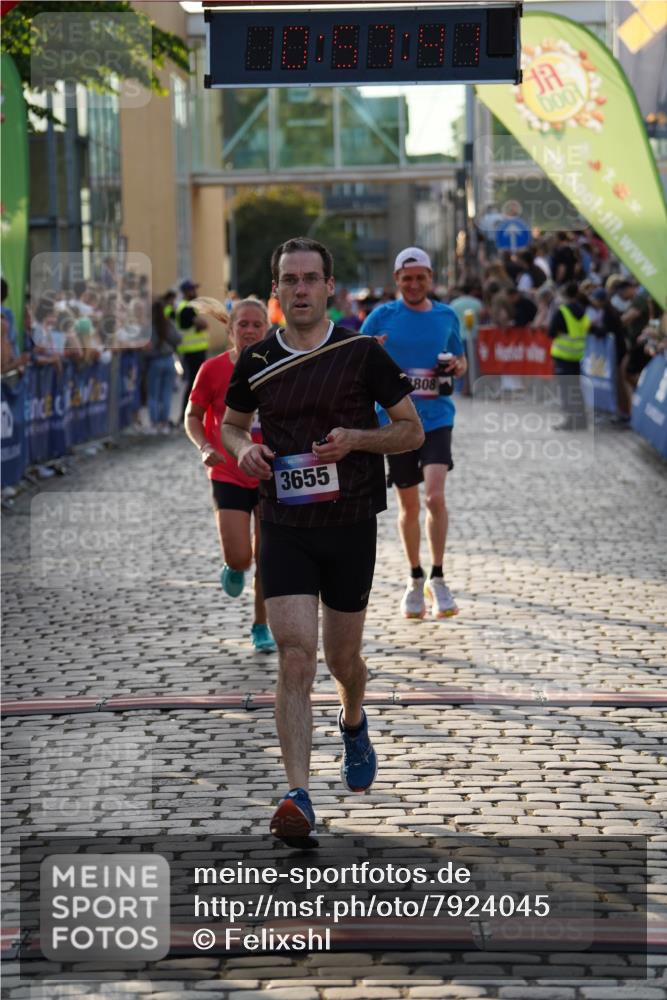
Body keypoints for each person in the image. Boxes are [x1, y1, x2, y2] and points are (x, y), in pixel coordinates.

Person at [221, 237, 423, 847]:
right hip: (284, 525)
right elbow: (231, 426)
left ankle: (353, 718)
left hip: (350, 524)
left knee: (342, 661)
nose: (301, 289)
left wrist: (357, 439)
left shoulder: (361, 353)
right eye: (291, 279)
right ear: (276, 289)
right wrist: (244, 450)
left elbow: (410, 431)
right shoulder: (256, 359)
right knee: (295, 656)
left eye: (311, 278)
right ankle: (298, 795)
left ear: (330, 286)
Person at [361, 247, 466, 620]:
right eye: (407, 278)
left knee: (434, 497)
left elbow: (460, 358)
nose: (414, 284)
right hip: (397, 423)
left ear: (430, 278)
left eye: (421, 277)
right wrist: (371, 352)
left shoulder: (446, 315)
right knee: (408, 505)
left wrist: (457, 365)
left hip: (437, 418)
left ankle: (438, 576)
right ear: (397, 280)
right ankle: (414, 576)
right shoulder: (380, 317)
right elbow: (356, 359)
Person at [186, 297, 277, 654]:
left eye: (257, 325)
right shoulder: (212, 370)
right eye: (244, 325)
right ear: (230, 329)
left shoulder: (279, 366)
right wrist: (204, 446)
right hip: (228, 470)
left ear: (267, 329)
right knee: (242, 556)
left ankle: (261, 624)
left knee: (267, 555)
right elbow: (192, 416)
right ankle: (234, 566)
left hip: (271, 471)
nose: (250, 331)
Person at [548, 280, 590, 430]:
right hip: (577, 356)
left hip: (563, 356)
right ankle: (581, 420)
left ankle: (571, 421)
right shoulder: (583, 311)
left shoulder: (562, 311)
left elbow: (551, 332)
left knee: (567, 390)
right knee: (576, 389)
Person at [145, 299, 181, 433]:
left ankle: (154, 424)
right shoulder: (168, 324)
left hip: (154, 361)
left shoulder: (149, 327)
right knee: (166, 394)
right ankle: (164, 422)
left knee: (153, 394)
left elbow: (147, 347)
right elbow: (178, 339)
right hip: (169, 360)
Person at [176, 279, 209, 421]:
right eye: (192, 289)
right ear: (185, 292)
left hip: (194, 351)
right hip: (192, 352)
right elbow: (203, 324)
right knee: (194, 384)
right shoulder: (187, 308)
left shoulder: (189, 307)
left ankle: (188, 414)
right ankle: (186, 415)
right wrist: (202, 324)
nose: (195, 292)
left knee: (195, 384)